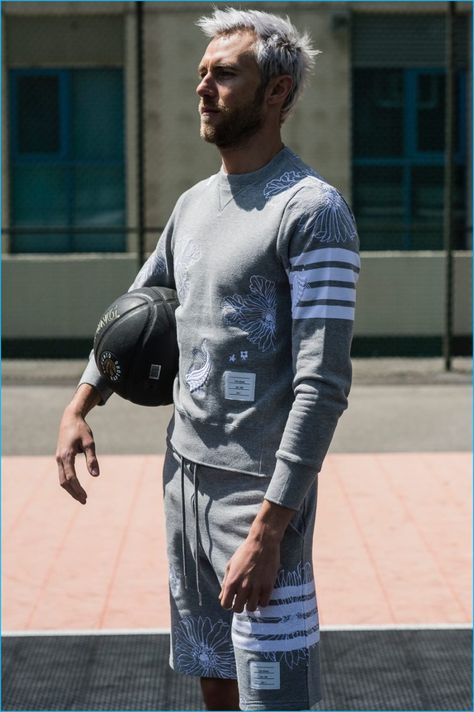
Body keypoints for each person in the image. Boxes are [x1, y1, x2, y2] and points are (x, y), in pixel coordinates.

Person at [56, 8, 360, 711]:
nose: (204, 88)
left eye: (226, 74)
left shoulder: (313, 211)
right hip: (183, 482)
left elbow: (323, 385)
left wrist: (270, 531)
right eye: (201, 74)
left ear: (277, 92)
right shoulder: (193, 205)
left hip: (258, 499)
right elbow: (130, 316)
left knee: (276, 699)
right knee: (216, 684)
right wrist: (80, 404)